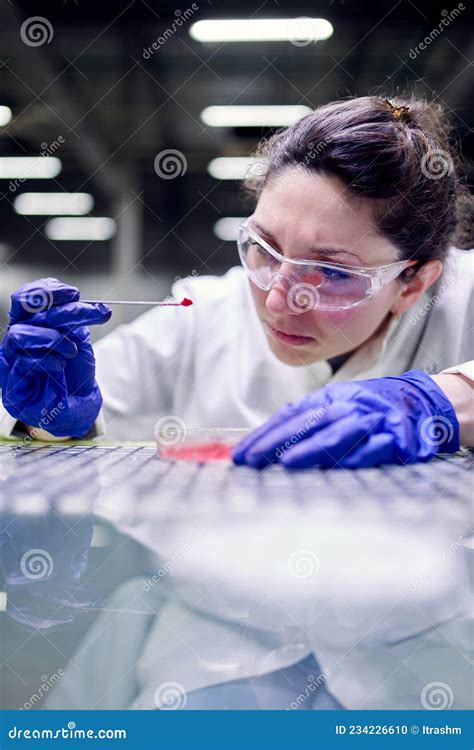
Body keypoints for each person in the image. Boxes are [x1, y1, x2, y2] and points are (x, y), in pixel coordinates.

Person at [0, 95, 472, 466]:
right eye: (265, 250)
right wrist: (49, 419)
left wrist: (442, 399)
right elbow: (62, 422)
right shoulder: (203, 315)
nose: (278, 301)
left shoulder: (463, 300)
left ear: (412, 283)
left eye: (331, 271)